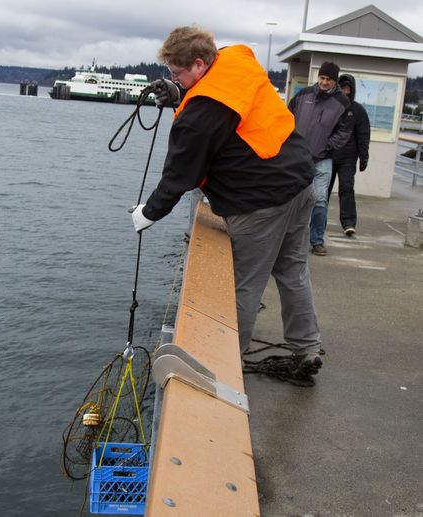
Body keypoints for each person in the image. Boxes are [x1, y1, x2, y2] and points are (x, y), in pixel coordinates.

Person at [131, 26, 322, 376]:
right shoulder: (236, 59)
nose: (174, 79)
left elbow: (181, 174)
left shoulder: (200, 114)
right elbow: (222, 102)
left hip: (261, 202)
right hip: (301, 183)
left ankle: (225, 367)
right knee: (293, 271)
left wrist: (149, 212)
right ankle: (307, 347)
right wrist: (179, 90)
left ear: (200, 64)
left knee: (244, 285)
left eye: (177, 73)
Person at [288, 62, 355, 256]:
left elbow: (344, 132)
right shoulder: (303, 95)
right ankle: (289, 238)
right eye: (322, 78)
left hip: (323, 160)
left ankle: (317, 240)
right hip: (297, 157)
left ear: (335, 81)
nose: (324, 82)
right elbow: (286, 117)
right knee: (292, 198)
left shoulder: (343, 103)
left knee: (320, 201)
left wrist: (327, 147)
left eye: (329, 79)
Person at [329, 74, 371, 236]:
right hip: (329, 156)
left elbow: (363, 135)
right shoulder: (330, 106)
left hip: (348, 159)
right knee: (322, 191)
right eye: (342, 88)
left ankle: (348, 222)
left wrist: (364, 157)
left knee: (346, 189)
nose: (345, 92)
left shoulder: (358, 110)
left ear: (352, 91)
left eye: (348, 89)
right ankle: (317, 221)